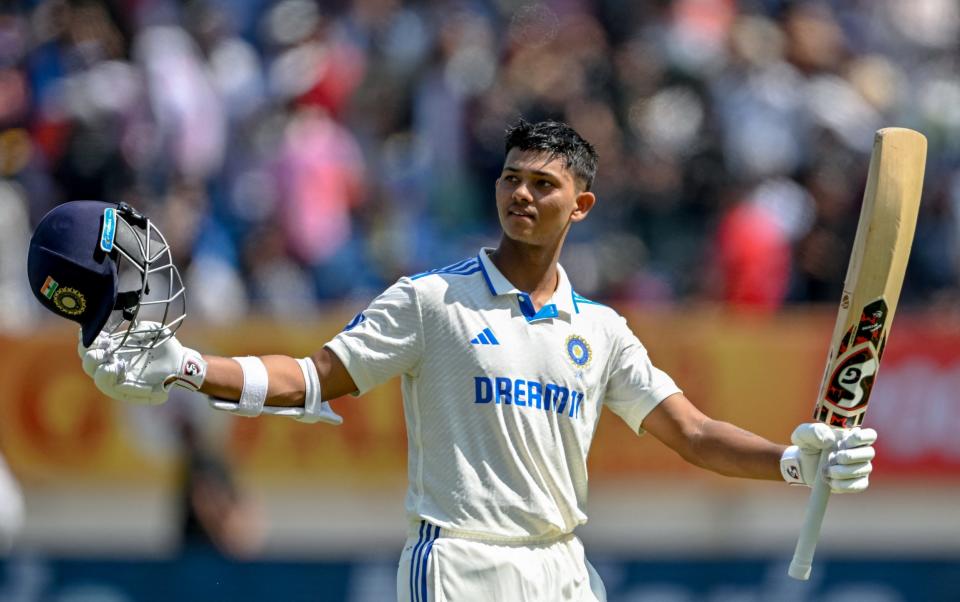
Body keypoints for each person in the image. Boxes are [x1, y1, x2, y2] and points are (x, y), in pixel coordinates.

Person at [36, 120, 876, 601]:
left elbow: (690, 435)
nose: (520, 195)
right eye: (511, 179)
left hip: (563, 567)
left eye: (542, 185)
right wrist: (185, 365)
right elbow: (308, 379)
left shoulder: (606, 330)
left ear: (580, 205)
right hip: (460, 563)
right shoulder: (431, 300)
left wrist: (797, 464)